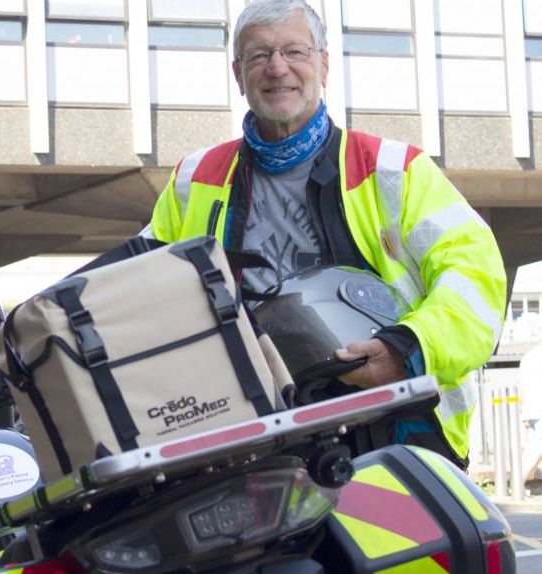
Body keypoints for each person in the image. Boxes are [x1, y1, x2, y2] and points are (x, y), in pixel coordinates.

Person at [141, 0, 506, 469]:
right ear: (238, 74)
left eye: (295, 51)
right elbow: (140, 289)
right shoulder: (193, 179)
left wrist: (408, 349)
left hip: (396, 433)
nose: (277, 68)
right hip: (247, 450)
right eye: (259, 56)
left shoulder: (395, 169)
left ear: (324, 64)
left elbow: (476, 279)